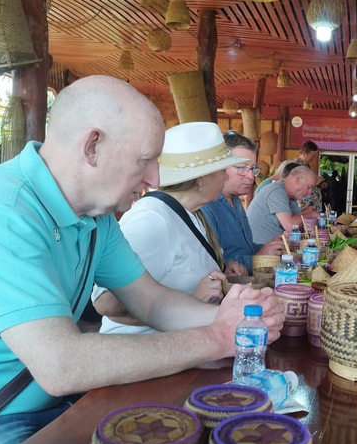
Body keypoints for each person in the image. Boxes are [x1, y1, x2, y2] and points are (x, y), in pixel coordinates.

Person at [0, 76, 284, 444]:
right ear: (93, 145)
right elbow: (61, 364)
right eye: (145, 160)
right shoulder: (0, 211)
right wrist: (218, 336)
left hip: (64, 399)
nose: (154, 179)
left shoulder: (96, 217)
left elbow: (153, 302)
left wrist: (238, 319)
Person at [91, 122, 250, 335]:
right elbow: (107, 302)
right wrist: (191, 301)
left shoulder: (192, 214)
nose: (227, 176)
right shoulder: (152, 219)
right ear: (201, 179)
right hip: (146, 355)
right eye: (222, 170)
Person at [202, 132, 286, 275]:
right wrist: (258, 258)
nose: (251, 176)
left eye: (253, 168)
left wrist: (268, 247)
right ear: (220, 166)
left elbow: (245, 248)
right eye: (242, 167)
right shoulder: (206, 206)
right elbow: (215, 264)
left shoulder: (235, 201)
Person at [248, 165, 317, 244]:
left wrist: (306, 212)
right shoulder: (276, 191)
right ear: (298, 180)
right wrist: (311, 214)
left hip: (272, 248)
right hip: (257, 252)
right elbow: (290, 226)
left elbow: (296, 223)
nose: (309, 192)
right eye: (308, 187)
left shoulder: (291, 198)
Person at [295, 140, 324, 212]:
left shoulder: (308, 166)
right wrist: (315, 183)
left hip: (314, 205)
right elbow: (297, 185)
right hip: (305, 205)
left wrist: (319, 185)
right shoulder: (296, 166)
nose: (313, 159)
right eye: (312, 156)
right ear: (304, 153)